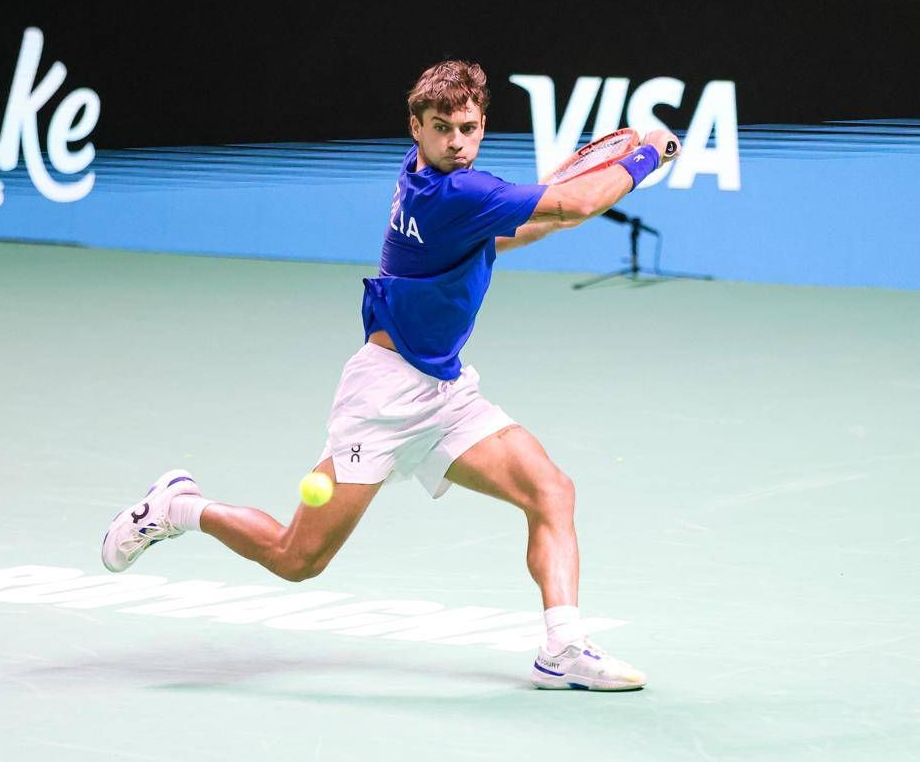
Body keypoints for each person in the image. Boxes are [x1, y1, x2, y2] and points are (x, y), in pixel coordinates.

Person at [101, 60, 678, 692]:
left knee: (551, 491)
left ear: (482, 125)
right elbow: (576, 202)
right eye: (441, 129)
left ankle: (562, 649)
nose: (456, 142)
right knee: (297, 559)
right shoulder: (456, 194)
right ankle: (180, 507)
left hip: (446, 393)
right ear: (416, 127)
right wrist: (650, 155)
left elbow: (514, 234)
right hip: (383, 399)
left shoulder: (435, 181)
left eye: (467, 128)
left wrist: (568, 208)